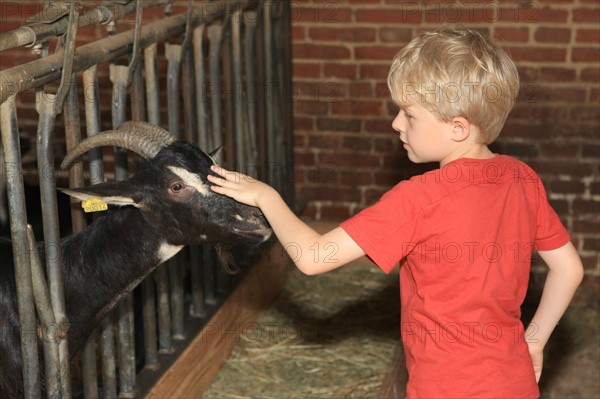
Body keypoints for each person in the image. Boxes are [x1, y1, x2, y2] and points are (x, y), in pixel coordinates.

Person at [207, 28, 584, 398]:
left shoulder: (419, 198)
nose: (396, 123)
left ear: (457, 128)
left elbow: (312, 257)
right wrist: (533, 341)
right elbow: (569, 268)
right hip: (513, 382)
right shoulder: (521, 179)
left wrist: (266, 195)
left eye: (409, 114)